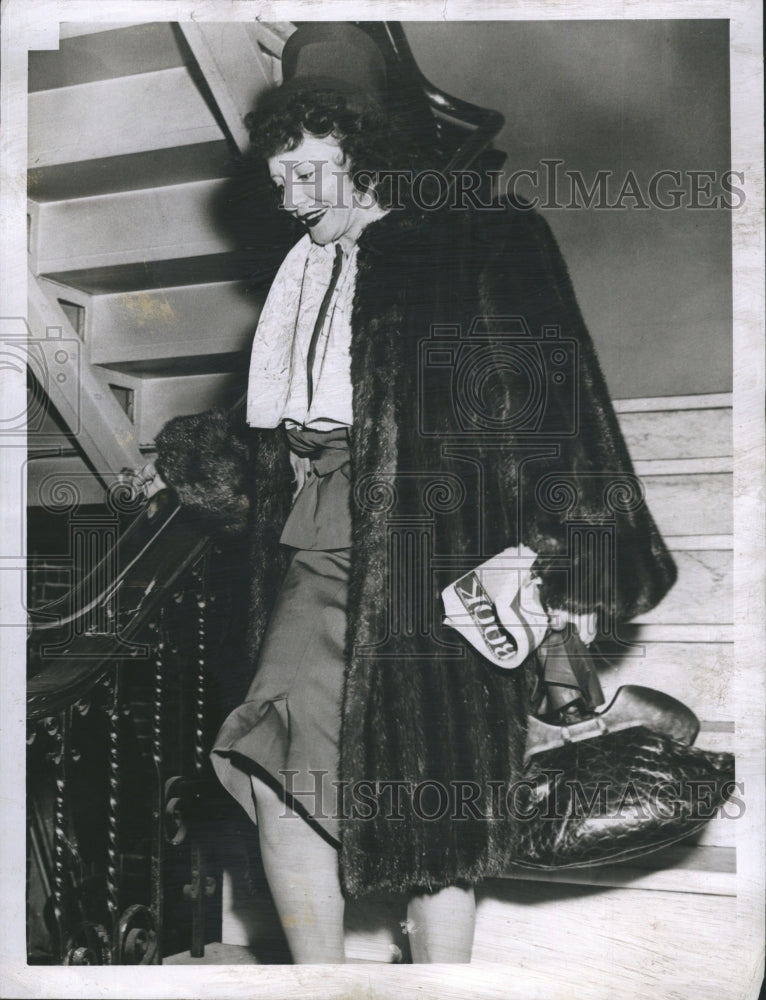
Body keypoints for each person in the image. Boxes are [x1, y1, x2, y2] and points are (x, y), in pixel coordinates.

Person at [143, 24, 677, 963]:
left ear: (361, 150)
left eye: (307, 171)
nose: (289, 196)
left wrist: (566, 563)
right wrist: (199, 463)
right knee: (271, 761)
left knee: (434, 787)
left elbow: (557, 411)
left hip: (444, 547)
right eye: (278, 180)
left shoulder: (478, 239)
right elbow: (279, 424)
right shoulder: (304, 273)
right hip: (315, 541)